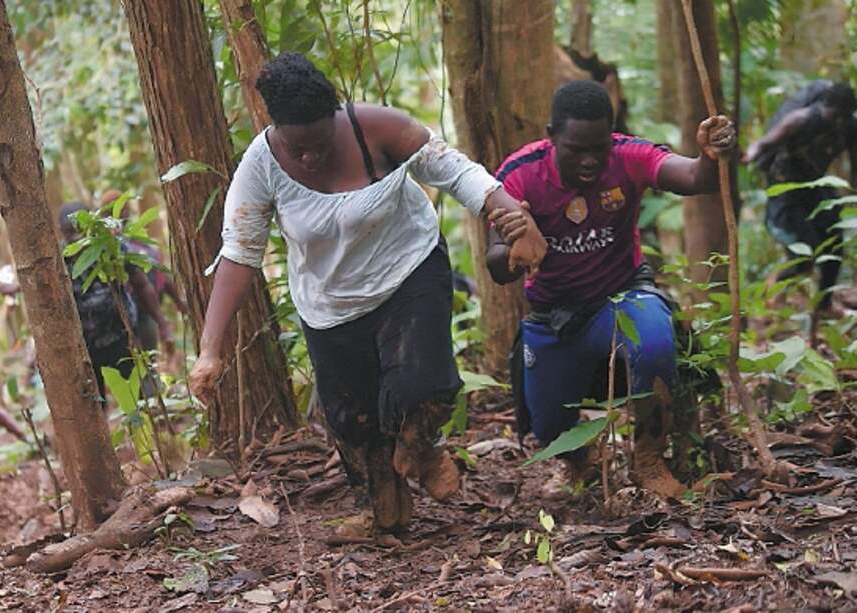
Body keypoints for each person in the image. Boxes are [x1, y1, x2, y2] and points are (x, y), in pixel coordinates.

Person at [189, 52, 546, 532]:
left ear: (335, 120)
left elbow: (457, 172)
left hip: (408, 272)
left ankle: (420, 449)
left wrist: (509, 215)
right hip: (331, 306)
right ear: (276, 129)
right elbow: (239, 251)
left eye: (320, 143)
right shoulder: (261, 165)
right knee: (354, 424)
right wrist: (209, 350)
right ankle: (387, 511)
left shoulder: (376, 127)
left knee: (423, 388)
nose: (311, 157)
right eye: (300, 149)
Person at [487, 80, 736, 499]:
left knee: (655, 338)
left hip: (621, 296)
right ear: (551, 137)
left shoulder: (629, 156)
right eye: (575, 149)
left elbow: (696, 178)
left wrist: (711, 155)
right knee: (547, 424)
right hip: (554, 314)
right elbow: (496, 267)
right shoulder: (519, 174)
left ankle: (649, 459)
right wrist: (512, 247)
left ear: (611, 137)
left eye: (598, 149)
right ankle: (581, 463)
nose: (589, 162)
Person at [743, 81, 857, 316]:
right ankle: (774, 288)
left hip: (816, 186)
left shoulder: (849, 126)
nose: (837, 123)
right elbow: (765, 143)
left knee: (835, 242)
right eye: (834, 116)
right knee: (805, 253)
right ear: (825, 107)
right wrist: (749, 154)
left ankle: (824, 305)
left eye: (843, 117)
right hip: (786, 187)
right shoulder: (802, 119)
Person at [58, 202, 173, 399]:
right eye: (69, 232)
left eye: (80, 230)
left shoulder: (112, 247)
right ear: (61, 232)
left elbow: (142, 285)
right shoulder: (58, 259)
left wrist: (163, 324)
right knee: (94, 403)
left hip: (122, 336)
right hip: (85, 346)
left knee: (139, 395)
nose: (75, 236)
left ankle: (149, 427)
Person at [100, 189, 187, 357]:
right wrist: (167, 320)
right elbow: (159, 280)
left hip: (142, 316)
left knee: (144, 366)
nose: (124, 213)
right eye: (122, 209)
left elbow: (161, 278)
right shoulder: (108, 247)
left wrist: (176, 306)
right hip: (123, 320)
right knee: (144, 367)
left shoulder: (138, 243)